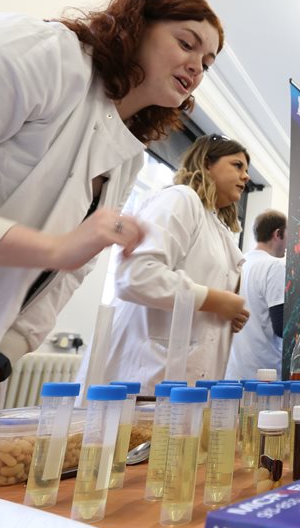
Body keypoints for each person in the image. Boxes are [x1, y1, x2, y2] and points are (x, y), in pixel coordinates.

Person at [0, 0, 226, 481]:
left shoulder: (124, 154)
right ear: (135, 24)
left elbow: (65, 279)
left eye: (207, 63)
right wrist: (51, 247)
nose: (197, 66)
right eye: (187, 43)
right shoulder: (39, 56)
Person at [96, 135, 251, 392]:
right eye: (237, 165)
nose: (245, 176)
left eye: (246, 170)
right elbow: (137, 275)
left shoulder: (217, 227)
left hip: (186, 380)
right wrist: (216, 301)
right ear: (207, 163)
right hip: (144, 373)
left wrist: (228, 313)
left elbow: (203, 296)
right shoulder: (180, 198)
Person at [224, 210, 287, 380]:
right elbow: (281, 326)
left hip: (233, 372)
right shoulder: (275, 267)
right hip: (264, 373)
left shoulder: (239, 263)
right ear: (278, 233)